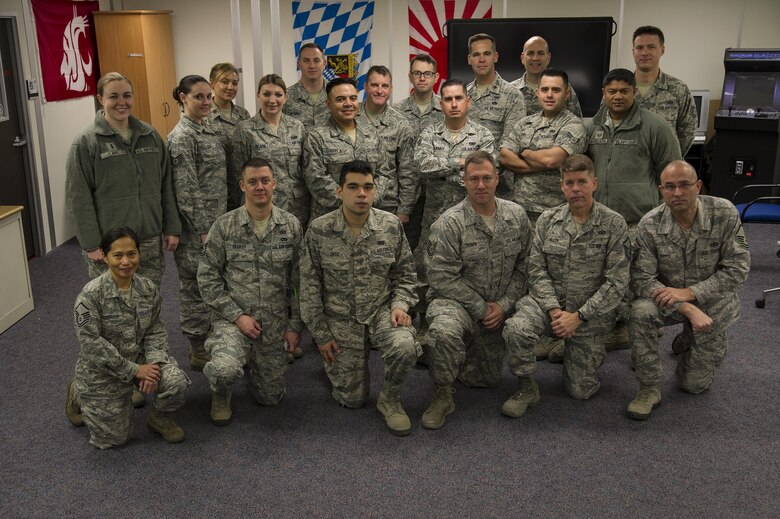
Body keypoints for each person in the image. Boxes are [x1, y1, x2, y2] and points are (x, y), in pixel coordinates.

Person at [501, 155, 630, 416]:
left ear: (594, 183)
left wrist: (579, 317)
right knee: (516, 328)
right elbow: (536, 271)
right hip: (549, 308)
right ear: (562, 186)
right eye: (569, 183)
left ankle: (571, 348)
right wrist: (553, 311)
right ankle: (527, 388)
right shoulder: (547, 221)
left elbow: (616, 282)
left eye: (582, 182)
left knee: (581, 392)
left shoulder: (614, 224)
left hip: (589, 316)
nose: (576, 189)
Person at [300, 161, 418, 436]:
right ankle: (338, 368)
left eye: (368, 187)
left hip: (381, 310)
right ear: (339, 191)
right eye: (353, 187)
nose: (361, 194)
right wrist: (320, 335)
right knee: (352, 400)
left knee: (405, 345)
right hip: (339, 317)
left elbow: (406, 275)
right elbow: (308, 287)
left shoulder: (390, 226)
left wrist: (400, 305)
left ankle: (390, 399)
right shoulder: (319, 230)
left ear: (375, 191)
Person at [627, 161, 750, 420]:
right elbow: (641, 278)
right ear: (661, 190)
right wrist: (685, 306)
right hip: (667, 300)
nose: (678, 193)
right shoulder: (650, 224)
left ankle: (688, 341)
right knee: (640, 311)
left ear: (698, 186)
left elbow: (737, 269)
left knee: (693, 385)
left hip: (712, 301)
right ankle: (649, 388)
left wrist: (690, 292)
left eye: (684, 185)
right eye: (670, 187)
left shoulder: (724, 213)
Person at [421, 151, 531, 429]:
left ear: (497, 179)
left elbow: (527, 267)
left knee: (486, 380)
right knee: (444, 331)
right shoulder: (449, 223)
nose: (480, 185)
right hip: (457, 303)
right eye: (474, 179)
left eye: (486, 178)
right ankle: (443, 394)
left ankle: (456, 354)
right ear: (464, 181)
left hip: (499, 305)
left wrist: (504, 305)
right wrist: (482, 308)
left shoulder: (516, 216)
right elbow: (440, 277)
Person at [197, 158, 303, 426]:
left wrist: (294, 326)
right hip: (233, 318)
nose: (260, 187)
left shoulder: (290, 226)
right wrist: (236, 316)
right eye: (253, 182)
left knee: (271, 398)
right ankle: (221, 392)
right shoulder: (224, 226)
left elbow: (299, 282)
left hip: (273, 322)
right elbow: (207, 278)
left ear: (274, 184)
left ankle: (255, 363)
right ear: (242, 185)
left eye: (265, 181)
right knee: (224, 370)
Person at [65, 227, 190, 449]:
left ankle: (158, 418)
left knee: (175, 381)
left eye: (131, 254)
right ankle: (78, 391)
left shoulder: (147, 288)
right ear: (104, 257)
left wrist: (152, 364)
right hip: (103, 369)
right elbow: (91, 344)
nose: (126, 262)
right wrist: (134, 371)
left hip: (140, 358)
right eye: (118, 255)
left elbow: (155, 328)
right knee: (115, 439)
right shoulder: (90, 296)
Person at [587, 68, 682, 351]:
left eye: (624, 91)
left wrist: (666, 217)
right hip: (600, 217)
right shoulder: (593, 128)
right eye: (612, 91)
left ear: (634, 92)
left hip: (637, 219)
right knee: (604, 275)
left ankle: (630, 328)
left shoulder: (655, 126)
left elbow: (672, 175)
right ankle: (611, 325)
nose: (617, 96)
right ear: (603, 94)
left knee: (633, 276)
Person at [500, 67, 588, 362]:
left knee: (557, 273)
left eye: (556, 90)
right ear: (537, 93)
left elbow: (556, 159)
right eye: (545, 90)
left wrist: (525, 153)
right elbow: (504, 155)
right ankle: (524, 332)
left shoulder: (574, 125)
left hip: (556, 213)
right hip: (522, 211)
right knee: (524, 270)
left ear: (567, 93)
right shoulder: (525, 123)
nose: (549, 95)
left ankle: (556, 336)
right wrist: (537, 161)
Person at [66, 71, 181, 286]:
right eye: (114, 96)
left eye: (127, 95)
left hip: (149, 236)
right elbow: (78, 198)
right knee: (114, 304)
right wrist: (91, 244)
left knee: (149, 297)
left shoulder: (150, 135)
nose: (122, 102)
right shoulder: (86, 142)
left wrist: (172, 227)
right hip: (110, 242)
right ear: (100, 99)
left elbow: (166, 185)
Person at [414, 79, 495, 345]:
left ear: (468, 101)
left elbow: (486, 174)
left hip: (472, 219)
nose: (454, 104)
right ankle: (426, 321)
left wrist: (445, 172)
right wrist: (460, 164)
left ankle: (473, 324)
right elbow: (422, 166)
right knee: (427, 270)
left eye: (459, 98)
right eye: (448, 99)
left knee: (472, 270)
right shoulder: (429, 133)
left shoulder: (483, 136)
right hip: (435, 217)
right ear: (441, 104)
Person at [168, 74, 228, 371]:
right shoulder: (182, 137)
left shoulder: (207, 129)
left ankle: (213, 339)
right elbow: (187, 191)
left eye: (208, 96)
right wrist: (204, 230)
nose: (206, 102)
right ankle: (196, 348)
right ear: (183, 98)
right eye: (198, 97)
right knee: (194, 288)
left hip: (216, 225)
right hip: (197, 231)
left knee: (214, 284)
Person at [232, 74, 310, 240]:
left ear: (286, 97)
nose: (272, 100)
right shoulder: (245, 130)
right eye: (266, 94)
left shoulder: (297, 127)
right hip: (260, 206)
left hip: (296, 207)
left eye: (278, 94)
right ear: (258, 96)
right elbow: (238, 172)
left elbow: (305, 167)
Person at [302, 77, 388, 222]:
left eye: (353, 98)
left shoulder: (371, 133)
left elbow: (385, 172)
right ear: (328, 104)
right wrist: (351, 202)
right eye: (340, 99)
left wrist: (369, 199)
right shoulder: (316, 137)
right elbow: (316, 180)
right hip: (330, 222)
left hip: (368, 218)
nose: (348, 104)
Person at [393, 53, 445, 250]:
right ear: (410, 77)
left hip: (438, 192)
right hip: (406, 193)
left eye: (427, 74)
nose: (422, 78)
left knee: (438, 246)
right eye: (417, 73)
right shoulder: (396, 112)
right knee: (408, 246)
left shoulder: (446, 108)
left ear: (436, 77)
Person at [465, 33, 525, 197]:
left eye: (487, 53)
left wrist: (480, 171)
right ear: (469, 59)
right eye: (476, 55)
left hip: (498, 188)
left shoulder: (512, 96)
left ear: (495, 57)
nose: (481, 59)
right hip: (462, 186)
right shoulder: (462, 96)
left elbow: (510, 146)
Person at [359, 65, 415, 218]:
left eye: (384, 86)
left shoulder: (400, 124)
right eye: (374, 85)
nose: (379, 90)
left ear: (391, 89)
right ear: (365, 87)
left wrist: (404, 209)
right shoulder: (350, 116)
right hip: (352, 202)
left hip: (388, 205)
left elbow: (408, 171)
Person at [632, 26, 697, 155]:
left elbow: (687, 132)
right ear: (633, 51)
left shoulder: (678, 89)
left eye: (651, 47)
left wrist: (669, 159)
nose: (644, 52)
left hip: (663, 168)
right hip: (627, 166)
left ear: (662, 50)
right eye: (639, 47)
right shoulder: (618, 88)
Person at [208, 63, 251, 211]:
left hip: (240, 190)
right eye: (224, 81)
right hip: (213, 193)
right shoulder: (203, 115)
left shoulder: (243, 115)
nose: (230, 87)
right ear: (212, 83)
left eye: (234, 83)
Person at [510, 36, 583, 117]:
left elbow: (577, 122)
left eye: (540, 53)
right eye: (530, 53)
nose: (535, 58)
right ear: (522, 58)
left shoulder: (564, 88)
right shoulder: (510, 91)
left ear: (548, 58)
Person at [283, 42, 330, 128]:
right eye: (306, 60)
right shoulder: (284, 97)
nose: (312, 66)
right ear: (298, 64)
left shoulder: (336, 95)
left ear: (324, 63)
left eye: (316, 60)